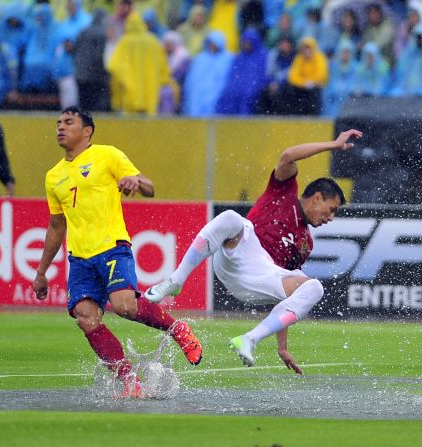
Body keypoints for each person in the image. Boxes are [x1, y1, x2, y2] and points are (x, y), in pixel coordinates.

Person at [145, 129, 363, 374]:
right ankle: (176, 281)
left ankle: (250, 339)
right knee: (231, 219)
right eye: (331, 209)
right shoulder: (283, 193)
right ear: (317, 198)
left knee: (313, 287)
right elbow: (288, 155)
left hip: (258, 280)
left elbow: (290, 296)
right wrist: (333, 145)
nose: (331, 218)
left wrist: (282, 346)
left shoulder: (306, 243)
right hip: (236, 255)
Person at [32, 106, 202, 398]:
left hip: (112, 248)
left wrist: (135, 181)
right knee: (85, 317)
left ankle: (177, 329)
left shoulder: (107, 155)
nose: (60, 127)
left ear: (87, 131)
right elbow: (56, 226)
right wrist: (41, 271)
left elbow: (150, 187)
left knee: (124, 305)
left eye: (68, 122)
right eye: (58, 122)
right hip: (80, 259)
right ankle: (127, 378)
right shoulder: (53, 176)